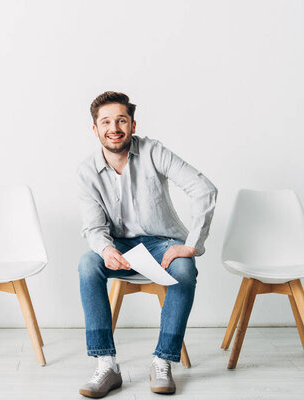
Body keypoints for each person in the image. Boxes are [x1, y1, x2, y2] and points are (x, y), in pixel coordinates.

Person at [77, 91, 217, 397]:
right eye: (106, 122)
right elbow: (93, 227)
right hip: (119, 246)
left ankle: (163, 360)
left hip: (162, 243)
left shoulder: (154, 151)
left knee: (184, 267)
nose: (114, 127)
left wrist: (192, 244)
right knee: (88, 263)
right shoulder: (87, 172)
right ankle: (106, 365)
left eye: (121, 120)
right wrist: (106, 249)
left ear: (132, 124)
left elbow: (204, 189)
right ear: (96, 129)